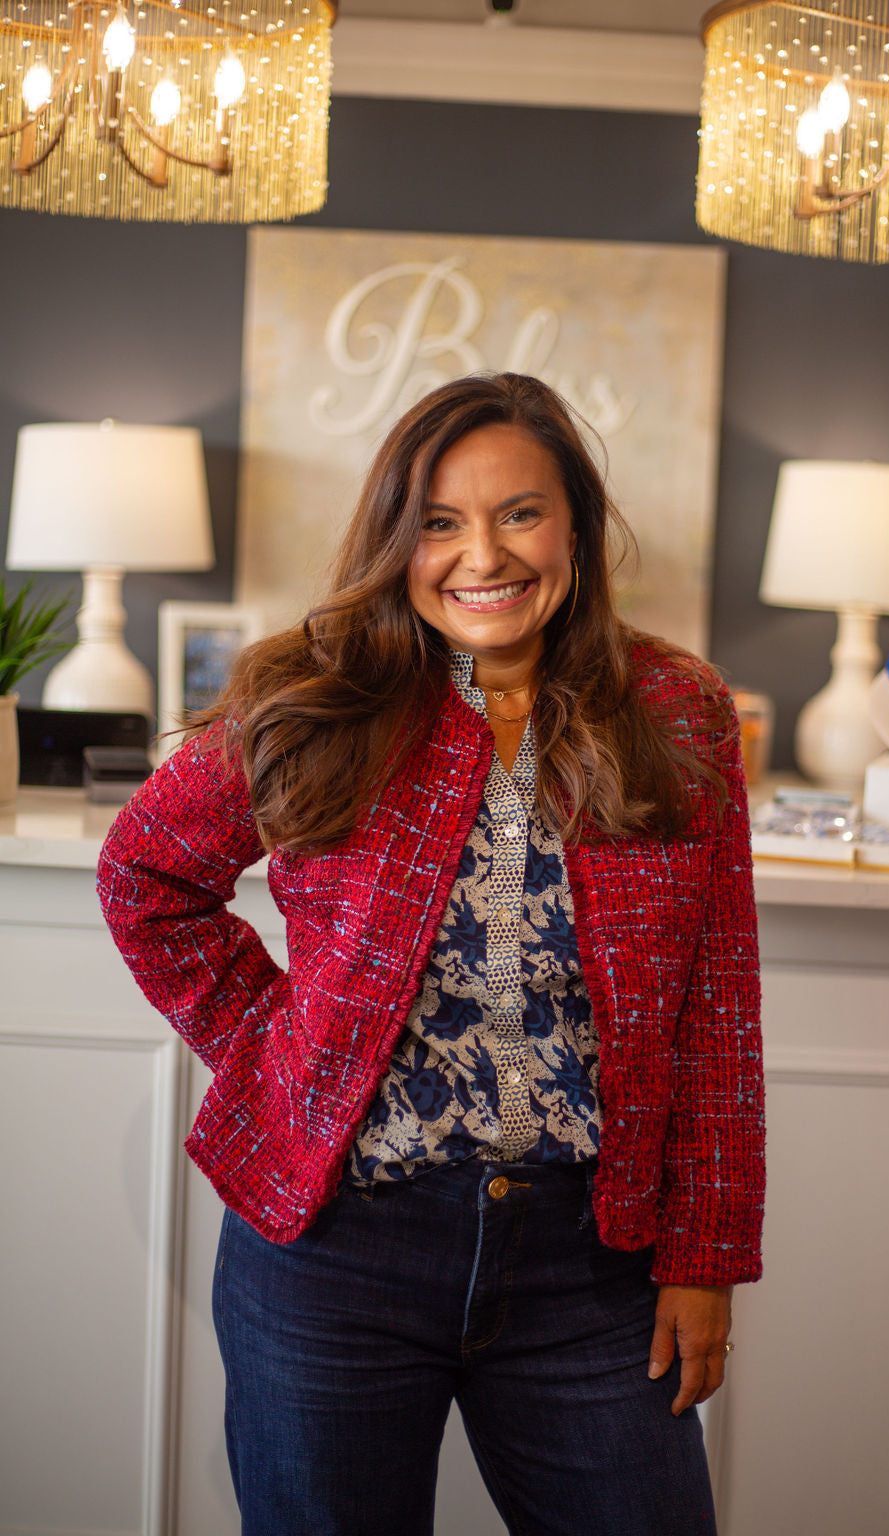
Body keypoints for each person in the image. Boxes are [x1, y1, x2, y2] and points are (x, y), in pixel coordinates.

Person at [97, 372, 765, 1536]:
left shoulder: (676, 706)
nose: (482, 555)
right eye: (440, 522)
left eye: (520, 513)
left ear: (575, 528)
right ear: (396, 538)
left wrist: (704, 1256)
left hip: (591, 1263)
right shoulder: (312, 692)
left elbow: (715, 1000)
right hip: (335, 1251)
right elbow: (146, 877)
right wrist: (276, 1047)